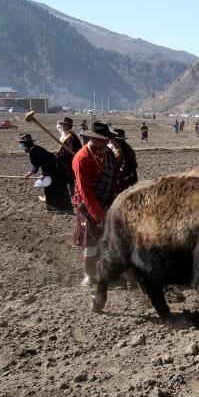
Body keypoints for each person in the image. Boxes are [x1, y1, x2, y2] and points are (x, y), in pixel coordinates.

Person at [72, 121, 119, 286]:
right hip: (87, 206)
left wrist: (113, 204)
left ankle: (105, 269)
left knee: (107, 239)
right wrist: (99, 215)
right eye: (101, 140)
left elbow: (113, 179)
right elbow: (86, 192)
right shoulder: (81, 158)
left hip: (107, 202)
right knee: (91, 241)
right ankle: (89, 274)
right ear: (92, 138)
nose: (105, 143)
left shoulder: (108, 154)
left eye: (106, 140)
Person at [18, 134, 73, 213]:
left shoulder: (33, 151)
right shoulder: (35, 149)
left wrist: (44, 174)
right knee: (56, 189)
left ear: (25, 143)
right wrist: (35, 174)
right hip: (57, 170)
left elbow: (40, 165)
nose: (19, 145)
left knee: (54, 189)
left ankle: (59, 208)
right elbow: (38, 164)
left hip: (56, 171)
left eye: (20, 143)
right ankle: (62, 208)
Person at [56, 117, 83, 195]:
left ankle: (77, 192)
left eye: (65, 125)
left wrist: (61, 154)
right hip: (66, 161)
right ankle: (72, 192)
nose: (63, 126)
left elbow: (73, 150)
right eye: (63, 125)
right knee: (69, 177)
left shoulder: (71, 137)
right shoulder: (65, 136)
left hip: (71, 160)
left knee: (73, 176)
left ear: (69, 126)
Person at [110, 129, 139, 193]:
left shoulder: (127, 152)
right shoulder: (114, 149)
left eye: (112, 140)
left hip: (126, 181)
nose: (111, 142)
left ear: (117, 141)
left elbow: (127, 169)